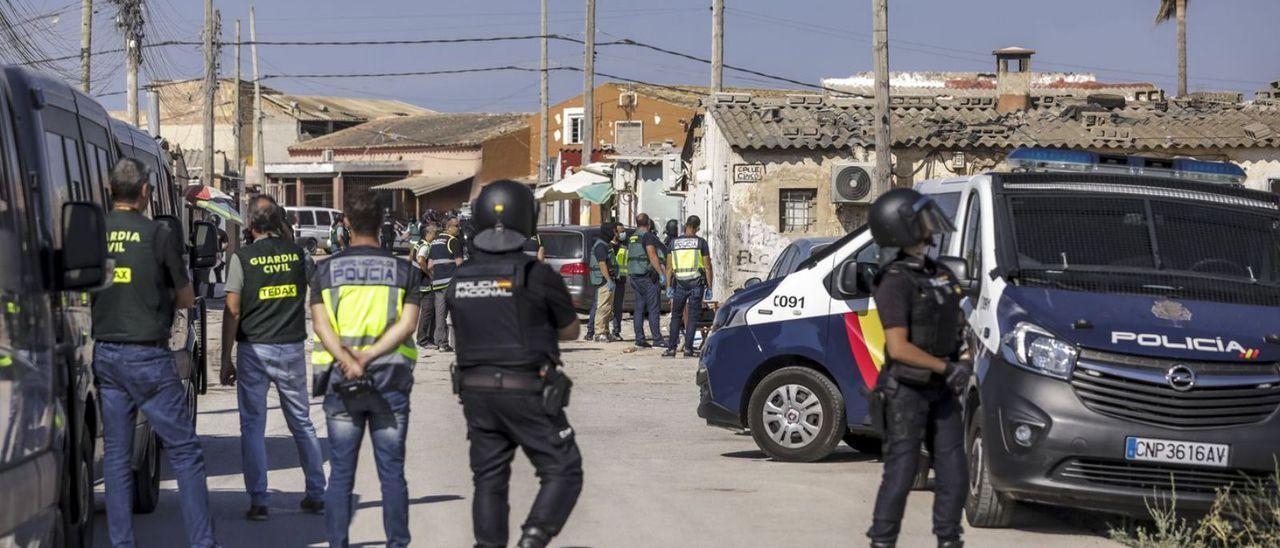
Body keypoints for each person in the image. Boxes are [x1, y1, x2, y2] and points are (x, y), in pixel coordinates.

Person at [447, 180, 583, 548]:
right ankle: (532, 539)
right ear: (528, 218)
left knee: (489, 479)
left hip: (475, 392)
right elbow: (571, 331)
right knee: (563, 469)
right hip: (527, 389)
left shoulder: (461, 277)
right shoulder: (535, 274)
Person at [92, 158, 218, 547]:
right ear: (146, 192)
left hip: (106, 354)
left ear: (109, 191)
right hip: (148, 356)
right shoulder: (159, 234)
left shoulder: (93, 233)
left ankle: (121, 543)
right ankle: (202, 542)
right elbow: (186, 296)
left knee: (116, 455)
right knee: (184, 451)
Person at [310, 192, 423, 548]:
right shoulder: (405, 271)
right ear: (382, 224)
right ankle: (397, 544)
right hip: (390, 383)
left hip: (342, 383)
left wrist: (349, 360)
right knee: (392, 474)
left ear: (345, 223)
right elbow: (407, 326)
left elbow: (321, 325)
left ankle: (337, 543)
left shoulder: (325, 270)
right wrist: (370, 355)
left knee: (341, 475)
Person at [865, 188, 971, 548]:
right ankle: (882, 542)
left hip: (942, 390)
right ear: (901, 227)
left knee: (955, 474)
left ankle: (949, 541)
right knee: (902, 473)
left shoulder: (939, 274)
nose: (930, 225)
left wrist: (965, 356)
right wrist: (946, 367)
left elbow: (958, 324)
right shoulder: (894, 281)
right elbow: (898, 347)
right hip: (907, 391)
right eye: (921, 218)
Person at [219, 203, 326, 521]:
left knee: (253, 426)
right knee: (302, 422)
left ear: (251, 227)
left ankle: (259, 501)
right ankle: (317, 493)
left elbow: (233, 309)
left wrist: (226, 358)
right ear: (280, 225)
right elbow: (318, 293)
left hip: (254, 350)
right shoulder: (299, 255)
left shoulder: (242, 259)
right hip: (291, 347)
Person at [664, 215, 713, 357]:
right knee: (692, 317)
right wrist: (709, 287)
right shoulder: (700, 243)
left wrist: (668, 286)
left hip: (679, 284)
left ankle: (671, 348)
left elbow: (668, 267)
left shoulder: (673, 243)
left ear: (685, 225)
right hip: (696, 284)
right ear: (698, 228)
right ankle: (688, 349)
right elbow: (708, 267)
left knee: (676, 316)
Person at [627, 214, 667, 348]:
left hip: (634, 276)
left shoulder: (632, 237)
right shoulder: (648, 236)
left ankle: (639, 339)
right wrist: (661, 274)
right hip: (646, 277)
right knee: (653, 308)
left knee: (639, 308)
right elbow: (652, 256)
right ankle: (657, 339)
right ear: (649, 223)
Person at [427, 217, 464, 351]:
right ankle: (458, 342)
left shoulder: (434, 242)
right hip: (451, 282)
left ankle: (441, 343)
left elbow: (430, 265)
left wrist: (434, 277)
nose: (459, 228)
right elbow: (459, 263)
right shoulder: (453, 241)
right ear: (448, 227)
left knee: (440, 314)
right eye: (456, 226)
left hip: (438, 283)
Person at [585, 221, 618, 342]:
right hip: (603, 280)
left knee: (608, 308)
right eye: (614, 231)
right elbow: (602, 263)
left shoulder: (606, 244)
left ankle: (606, 331)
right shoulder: (600, 245)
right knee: (602, 307)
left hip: (608, 279)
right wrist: (608, 280)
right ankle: (599, 333)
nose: (616, 233)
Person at [415, 223, 439, 348]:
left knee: (427, 311)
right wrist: (429, 273)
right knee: (427, 312)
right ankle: (423, 340)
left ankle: (427, 338)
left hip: (419, 281)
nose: (435, 236)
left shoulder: (418, 243)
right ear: (427, 234)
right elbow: (420, 260)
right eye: (434, 234)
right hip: (425, 283)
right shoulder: (425, 246)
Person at [609, 224, 631, 340]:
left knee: (618, 307)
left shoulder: (625, 246)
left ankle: (616, 331)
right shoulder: (608, 246)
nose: (623, 234)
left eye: (624, 231)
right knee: (604, 307)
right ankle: (595, 331)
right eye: (621, 231)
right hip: (609, 280)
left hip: (621, 280)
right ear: (615, 232)